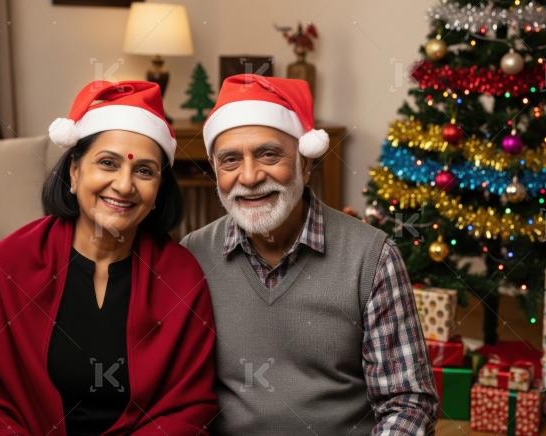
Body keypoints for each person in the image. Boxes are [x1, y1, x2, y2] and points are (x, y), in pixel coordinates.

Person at [0, 80, 218, 435]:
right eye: (108, 163)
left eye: (144, 171)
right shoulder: (9, 263)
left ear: (158, 191)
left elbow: (190, 407)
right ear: (74, 171)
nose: (125, 185)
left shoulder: (181, 276)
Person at [180, 74, 438, 435]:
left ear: (306, 163)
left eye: (269, 154)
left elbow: (408, 402)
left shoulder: (373, 257)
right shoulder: (191, 256)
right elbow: (180, 397)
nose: (250, 176)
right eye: (230, 160)